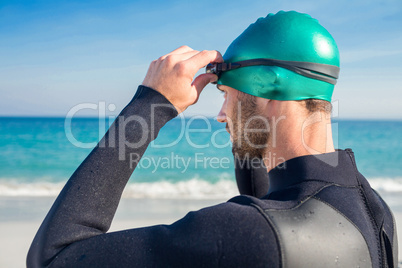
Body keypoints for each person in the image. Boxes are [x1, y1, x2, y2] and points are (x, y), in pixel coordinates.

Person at [27, 11, 398, 267]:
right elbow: (267, 191)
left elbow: (53, 256)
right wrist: (245, 108)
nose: (220, 115)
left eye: (224, 96)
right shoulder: (371, 209)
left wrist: (151, 103)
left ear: (266, 87)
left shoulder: (249, 232)